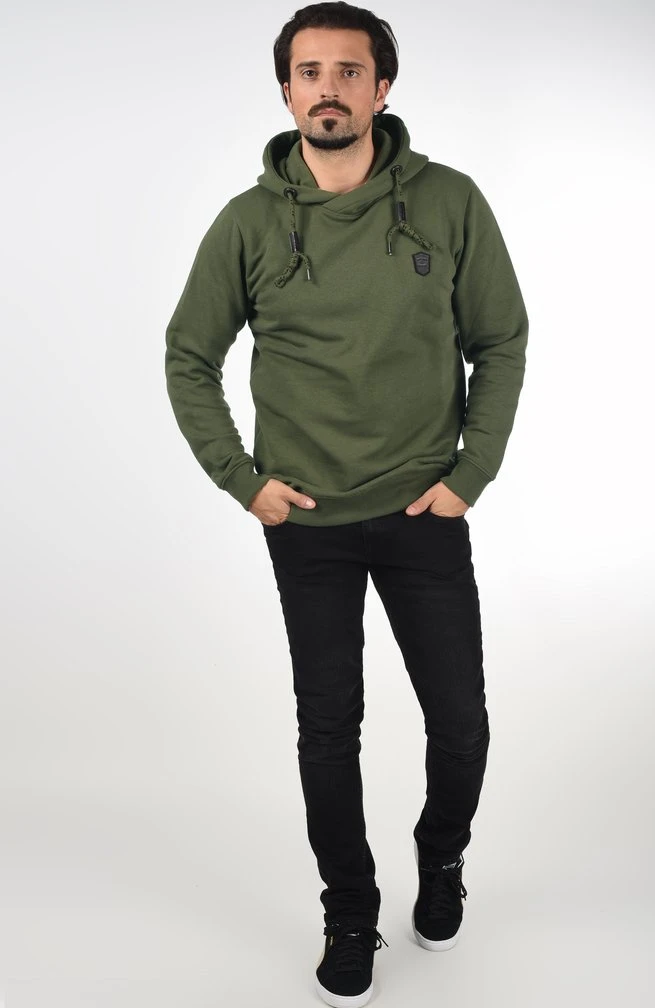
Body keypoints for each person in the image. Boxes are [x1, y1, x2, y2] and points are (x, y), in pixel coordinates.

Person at [165, 2, 528, 1004]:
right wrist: (243, 480)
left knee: (461, 723)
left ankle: (441, 857)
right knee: (329, 727)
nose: (328, 89)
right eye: (310, 72)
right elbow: (189, 355)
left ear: (381, 88)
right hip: (306, 523)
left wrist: (470, 474)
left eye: (349, 71)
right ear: (287, 91)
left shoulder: (448, 202)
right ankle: (350, 909)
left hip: (423, 512)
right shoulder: (248, 223)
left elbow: (499, 340)